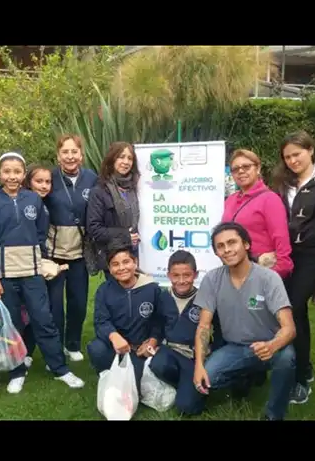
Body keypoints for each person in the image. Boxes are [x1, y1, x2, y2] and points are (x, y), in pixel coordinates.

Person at [0, 152, 84, 394]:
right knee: (13, 324)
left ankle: (59, 368)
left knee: (43, 320)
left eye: (17, 171)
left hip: (32, 273)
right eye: (6, 171)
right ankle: (17, 372)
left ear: (23, 174)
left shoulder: (33, 200)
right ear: (0, 174)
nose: (12, 176)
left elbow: (40, 235)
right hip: (6, 276)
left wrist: (34, 260)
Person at [190, 222, 297, 420]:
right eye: (220, 246)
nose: (227, 250)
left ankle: (274, 415)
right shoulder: (212, 279)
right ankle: (245, 377)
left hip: (269, 345)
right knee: (207, 379)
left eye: (232, 242)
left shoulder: (269, 278)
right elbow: (204, 326)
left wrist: (272, 346)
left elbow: (289, 328)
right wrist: (199, 365)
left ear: (246, 244)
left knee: (286, 359)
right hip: (235, 347)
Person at [271, 130, 315, 404]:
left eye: (297, 154)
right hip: (287, 253)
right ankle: (303, 366)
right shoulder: (282, 181)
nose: (292, 160)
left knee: (294, 306)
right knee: (287, 309)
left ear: (311, 150)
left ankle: (300, 377)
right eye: (287, 156)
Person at [87, 241, 177, 393]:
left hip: (141, 349)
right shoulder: (104, 290)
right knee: (96, 348)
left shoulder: (152, 288)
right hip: (116, 347)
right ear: (110, 269)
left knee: (135, 386)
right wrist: (114, 336)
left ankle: (130, 375)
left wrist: (153, 341)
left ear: (135, 263)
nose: (121, 268)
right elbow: (101, 320)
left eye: (126, 262)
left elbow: (160, 320)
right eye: (115, 264)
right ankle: (108, 377)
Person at [44, 134, 98, 362]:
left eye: (74, 151)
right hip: (54, 254)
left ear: (81, 155)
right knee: (55, 305)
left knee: (78, 302)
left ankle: (72, 343)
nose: (70, 156)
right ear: (58, 156)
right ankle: (55, 347)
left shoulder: (91, 178)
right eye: (65, 152)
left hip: (79, 254)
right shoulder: (49, 179)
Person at [19, 164, 69, 368]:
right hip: (28, 264)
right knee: (29, 311)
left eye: (48, 182)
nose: (44, 185)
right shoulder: (23, 204)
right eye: (38, 181)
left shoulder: (48, 204)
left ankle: (54, 352)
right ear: (28, 182)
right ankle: (26, 351)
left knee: (54, 309)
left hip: (50, 262)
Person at [147, 250, 208, 415]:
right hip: (170, 352)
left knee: (187, 408)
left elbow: (214, 332)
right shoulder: (163, 296)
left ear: (195, 275)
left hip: (193, 358)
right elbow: (158, 325)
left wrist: (207, 361)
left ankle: (190, 388)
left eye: (187, 275)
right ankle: (180, 385)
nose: (181, 281)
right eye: (176, 275)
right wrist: (153, 340)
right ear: (168, 275)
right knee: (158, 364)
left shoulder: (205, 299)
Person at [222, 148, 293, 279]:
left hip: (262, 270)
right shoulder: (230, 200)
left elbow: (281, 238)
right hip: (235, 268)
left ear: (258, 168)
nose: (241, 171)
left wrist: (279, 271)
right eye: (235, 169)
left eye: (246, 166)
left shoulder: (270, 199)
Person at [86, 142, 141, 280]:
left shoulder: (135, 188)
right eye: (121, 157)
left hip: (136, 255)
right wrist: (124, 235)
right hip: (114, 258)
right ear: (112, 159)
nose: (126, 162)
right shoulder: (99, 191)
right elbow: (94, 229)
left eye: (130, 158)